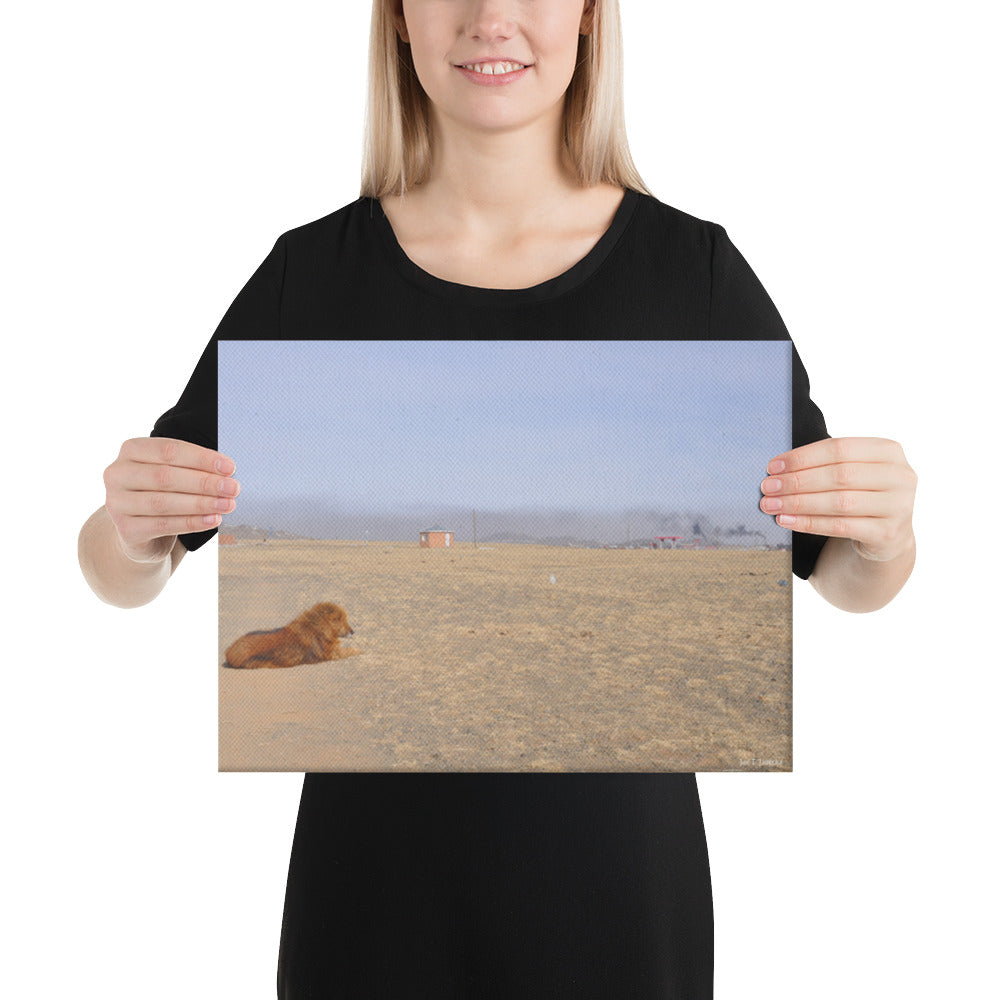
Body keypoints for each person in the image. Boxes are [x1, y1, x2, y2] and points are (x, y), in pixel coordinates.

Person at [77, 1, 917, 995]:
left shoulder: (692, 274)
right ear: (396, 19)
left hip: (620, 904)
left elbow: (845, 576)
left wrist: (885, 531)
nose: (491, 18)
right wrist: (130, 532)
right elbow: (121, 569)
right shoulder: (311, 277)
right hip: (369, 906)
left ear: (591, 18)